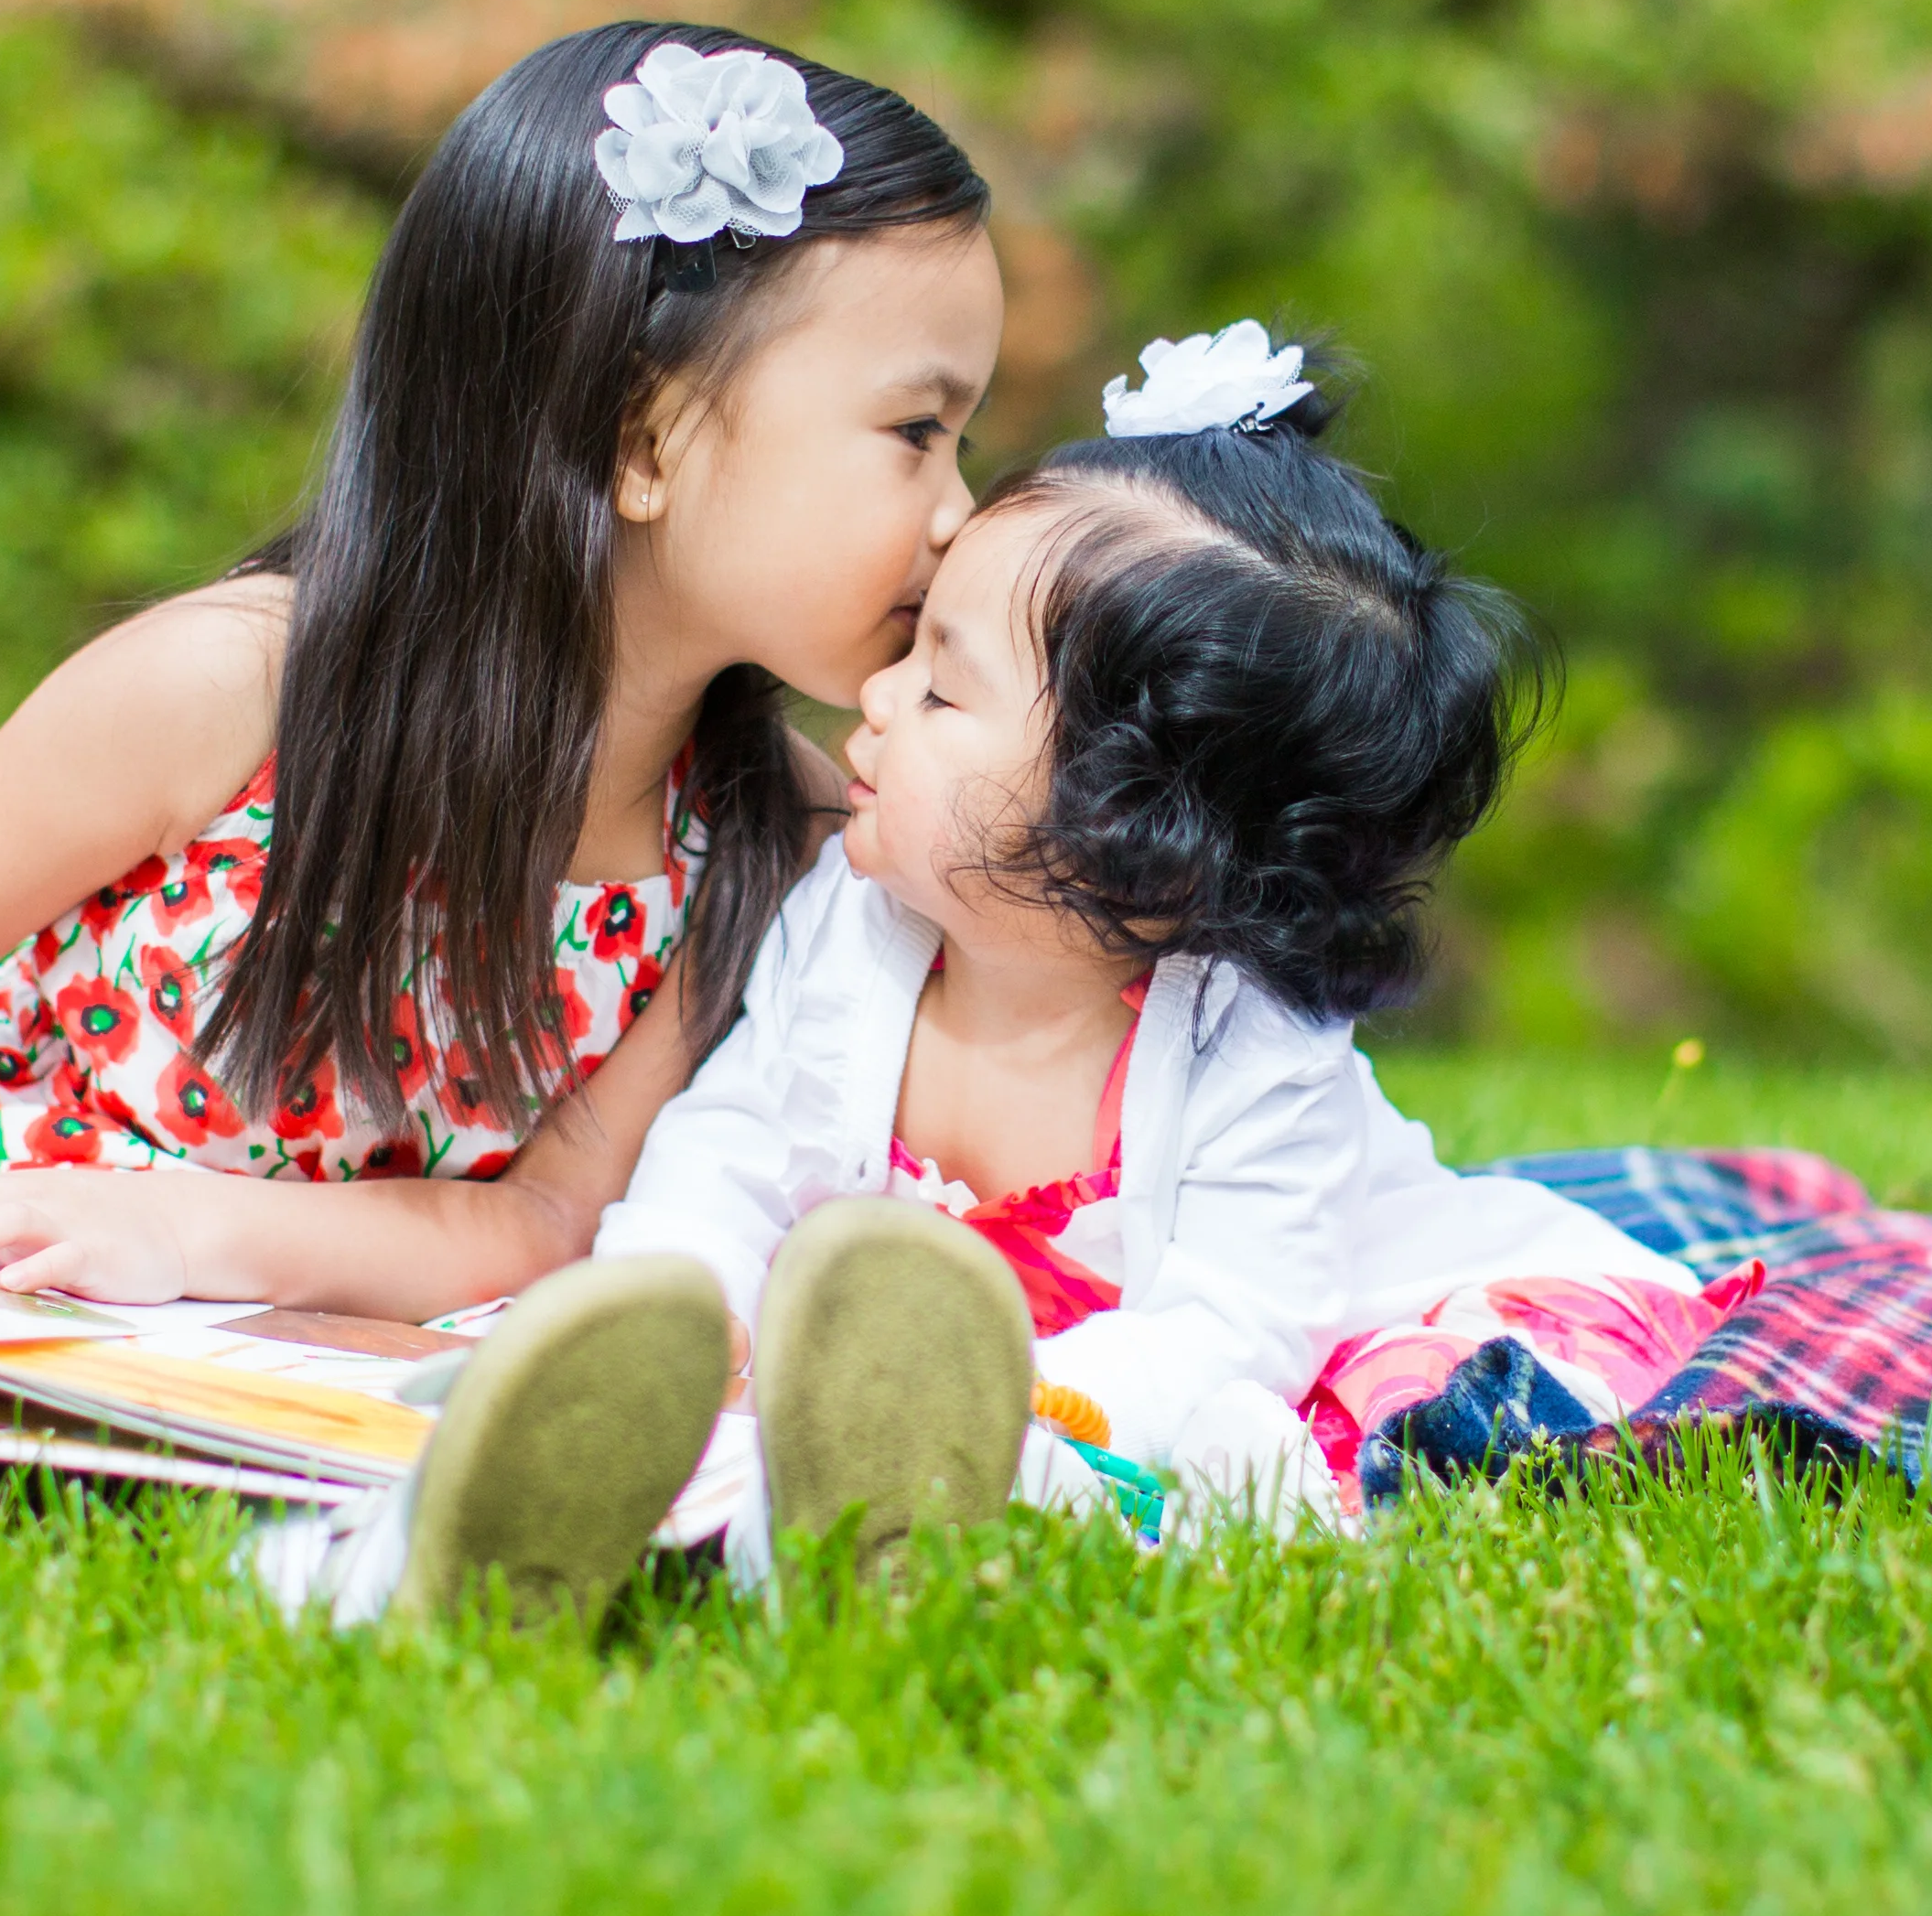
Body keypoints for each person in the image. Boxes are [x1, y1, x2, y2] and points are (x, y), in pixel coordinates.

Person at [0, 25, 1003, 1321]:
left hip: (216, 1318)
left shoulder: (767, 837)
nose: (959, 509)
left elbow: (541, 1226)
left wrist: (190, 1239)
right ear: (643, 438)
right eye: (915, 430)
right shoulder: (239, 688)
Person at [297, 325, 1735, 1628]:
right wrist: (687, 1299)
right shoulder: (852, 920)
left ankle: (893, 1519)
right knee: (659, 1376)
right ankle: (508, 1512)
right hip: (896, 1366)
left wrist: (1030, 1408)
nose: (871, 696)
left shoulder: (1249, 1038)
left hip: (1178, 1374)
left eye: (938, 685)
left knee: (1234, 1447)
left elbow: (1234, 1321)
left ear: (1133, 839)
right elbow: (728, 1144)